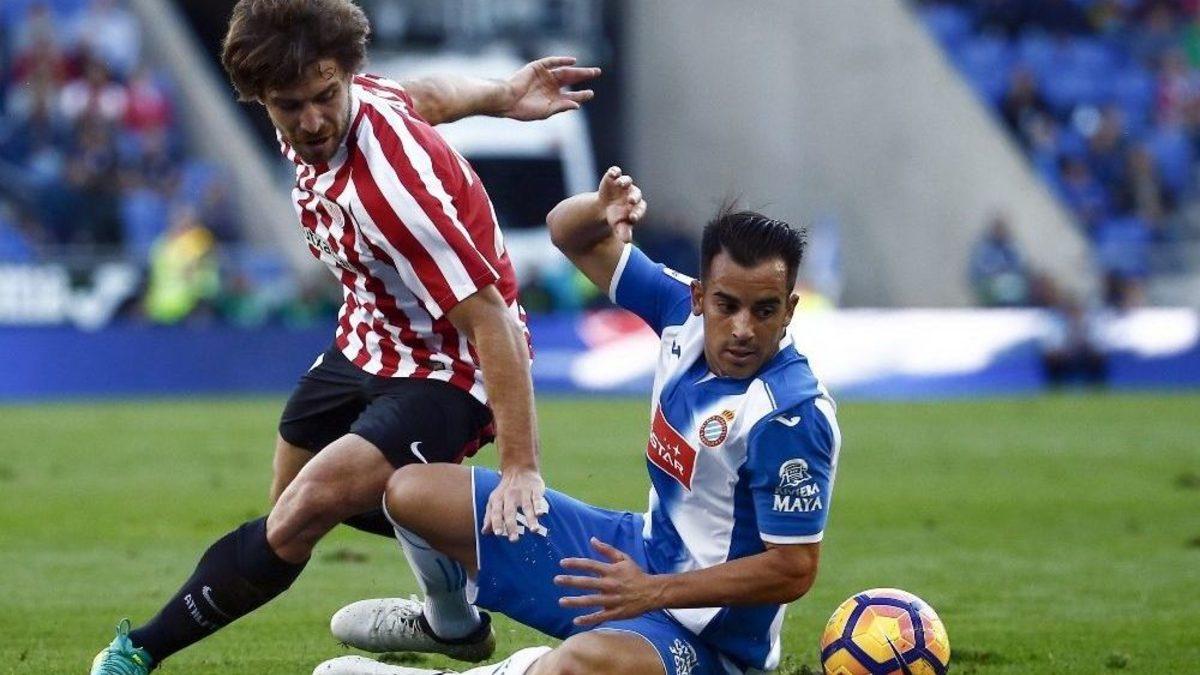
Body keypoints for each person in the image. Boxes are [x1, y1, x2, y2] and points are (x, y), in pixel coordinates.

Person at [89, 1, 600, 672]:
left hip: (449, 364)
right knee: (292, 505)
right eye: (289, 106)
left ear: (345, 76)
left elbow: (493, 320)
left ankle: (136, 653)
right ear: (260, 98)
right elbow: (422, 95)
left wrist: (520, 468)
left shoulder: (392, 187)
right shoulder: (334, 106)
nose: (311, 121)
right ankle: (453, 615)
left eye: (324, 97)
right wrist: (502, 95)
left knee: (304, 510)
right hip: (367, 338)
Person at [316, 167, 842, 675]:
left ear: (789, 310)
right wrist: (599, 208)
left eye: (765, 310)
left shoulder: (790, 413)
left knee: (580, 666)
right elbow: (567, 233)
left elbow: (792, 568)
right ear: (701, 296)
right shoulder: (679, 310)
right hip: (635, 554)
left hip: (711, 641)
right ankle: (451, 627)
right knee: (411, 492)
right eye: (728, 305)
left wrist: (651, 592)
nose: (744, 328)